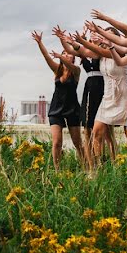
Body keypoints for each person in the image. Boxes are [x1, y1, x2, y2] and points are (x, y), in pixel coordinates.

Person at [73, 28, 127, 163]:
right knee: (97, 132)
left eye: (109, 36)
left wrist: (82, 41)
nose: (105, 38)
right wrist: (74, 42)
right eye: (104, 36)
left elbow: (100, 50)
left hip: (123, 94)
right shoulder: (99, 54)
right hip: (108, 95)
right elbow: (82, 52)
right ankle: (100, 168)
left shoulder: (119, 52)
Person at [30, 30, 86, 170]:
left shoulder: (76, 71)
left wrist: (61, 56)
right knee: (57, 143)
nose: (66, 55)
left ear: (73, 58)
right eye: (65, 53)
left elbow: (70, 66)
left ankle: (87, 168)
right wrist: (40, 43)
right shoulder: (57, 70)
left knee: (77, 143)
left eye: (69, 54)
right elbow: (47, 57)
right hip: (56, 109)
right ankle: (57, 171)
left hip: (72, 109)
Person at [53, 26, 103, 161]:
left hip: (102, 85)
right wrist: (62, 39)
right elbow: (70, 49)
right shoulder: (84, 52)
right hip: (90, 87)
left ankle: (104, 158)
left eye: (95, 33)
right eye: (91, 33)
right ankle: (90, 163)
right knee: (87, 127)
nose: (93, 35)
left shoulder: (102, 49)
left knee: (102, 128)